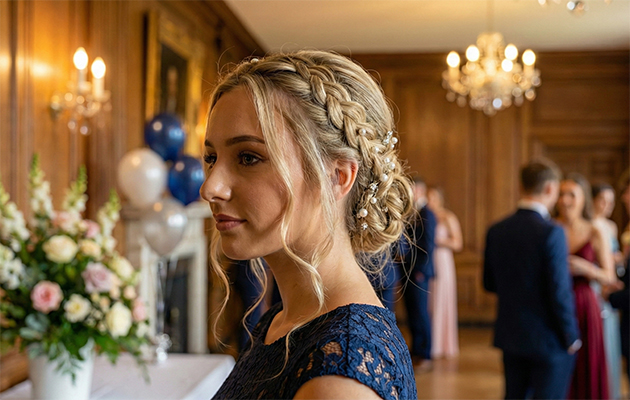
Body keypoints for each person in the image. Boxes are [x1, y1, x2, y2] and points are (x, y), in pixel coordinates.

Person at [200, 50, 417, 399]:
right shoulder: (282, 321)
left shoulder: (339, 378)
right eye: (211, 158)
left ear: (337, 177)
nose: (210, 187)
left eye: (248, 157)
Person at [483, 161, 581, 400]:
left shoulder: (497, 230)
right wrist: (571, 336)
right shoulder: (552, 232)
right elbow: (559, 291)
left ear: (521, 186)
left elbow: (488, 283)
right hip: (549, 340)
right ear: (550, 188)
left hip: (511, 336)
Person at [556, 173, 618, 400]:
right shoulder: (552, 228)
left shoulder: (594, 231)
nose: (565, 200)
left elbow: (609, 276)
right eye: (561, 194)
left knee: (587, 365)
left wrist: (587, 269)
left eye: (571, 195)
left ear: (583, 199)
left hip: (584, 303)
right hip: (557, 302)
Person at [398, 177, 436, 373]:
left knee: (421, 312)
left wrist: (420, 270)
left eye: (411, 189)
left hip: (419, 272)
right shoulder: (411, 212)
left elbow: (428, 245)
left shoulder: (427, 213)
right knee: (412, 311)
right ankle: (416, 351)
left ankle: (425, 353)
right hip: (407, 270)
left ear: (420, 190)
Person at [591, 182, 623, 399]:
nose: (607, 206)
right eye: (603, 200)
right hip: (595, 286)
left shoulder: (611, 226)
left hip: (610, 285)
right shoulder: (589, 226)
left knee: (611, 338)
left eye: (611, 202)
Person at [427, 185, 462, 359]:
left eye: (433, 197)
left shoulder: (448, 217)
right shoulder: (425, 216)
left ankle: (443, 344)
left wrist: (438, 240)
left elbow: (457, 243)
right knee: (430, 300)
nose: (430, 200)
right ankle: (430, 343)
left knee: (442, 298)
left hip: (442, 260)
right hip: (428, 260)